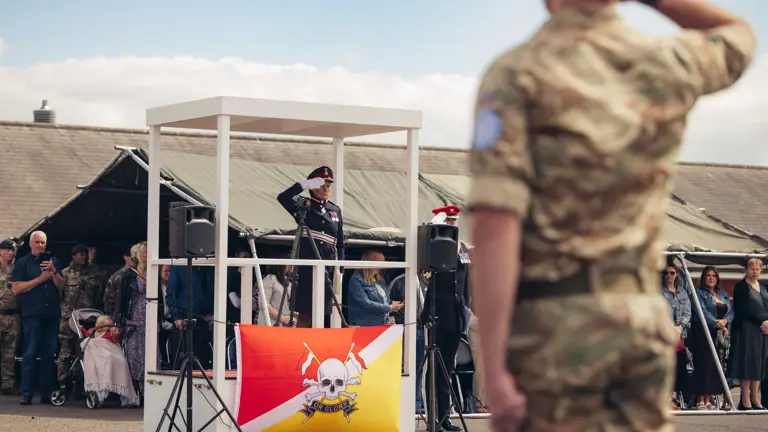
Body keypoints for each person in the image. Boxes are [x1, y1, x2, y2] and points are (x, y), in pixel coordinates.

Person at [466, 1, 756, 431]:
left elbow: (495, 225)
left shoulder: (516, 73)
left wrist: (494, 369)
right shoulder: (665, 61)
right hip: (640, 323)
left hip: (554, 328)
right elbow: (738, 34)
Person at [276, 165, 345, 328]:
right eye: (321, 185)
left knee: (325, 313)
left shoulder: (335, 210)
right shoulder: (304, 206)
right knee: (305, 313)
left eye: (328, 185)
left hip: (327, 269)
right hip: (307, 269)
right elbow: (283, 197)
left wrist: (340, 270)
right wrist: (304, 185)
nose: (325, 189)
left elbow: (340, 244)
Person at [421, 205, 470, 432]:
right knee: (435, 370)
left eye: (454, 221)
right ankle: (434, 419)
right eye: (448, 221)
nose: (453, 225)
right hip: (438, 314)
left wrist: (466, 313)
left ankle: (444, 417)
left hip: (456, 315)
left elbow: (466, 285)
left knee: (447, 370)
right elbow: (429, 278)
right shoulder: (435, 246)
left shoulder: (462, 248)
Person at [11, 231, 65, 405]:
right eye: (37, 242)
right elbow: (16, 288)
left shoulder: (53, 261)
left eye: (43, 243)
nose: (40, 245)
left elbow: (62, 286)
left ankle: (46, 393)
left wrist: (54, 273)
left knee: (49, 355)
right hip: (32, 315)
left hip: (51, 316)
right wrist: (40, 279)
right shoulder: (22, 264)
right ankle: (26, 393)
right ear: (30, 243)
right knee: (30, 354)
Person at [728, 258, 768, 410]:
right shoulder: (740, 287)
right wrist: (761, 322)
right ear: (746, 269)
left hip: (763, 330)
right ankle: (745, 399)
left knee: (759, 363)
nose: (755, 271)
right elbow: (744, 309)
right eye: (752, 268)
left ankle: (755, 398)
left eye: (758, 269)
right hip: (747, 328)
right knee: (747, 362)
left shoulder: (764, 287)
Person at [0, 239, 18, 395]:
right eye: (7, 250)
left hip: (12, 316)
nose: (10, 253)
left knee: (9, 352)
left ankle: (7, 383)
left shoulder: (16, 269)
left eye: (12, 250)